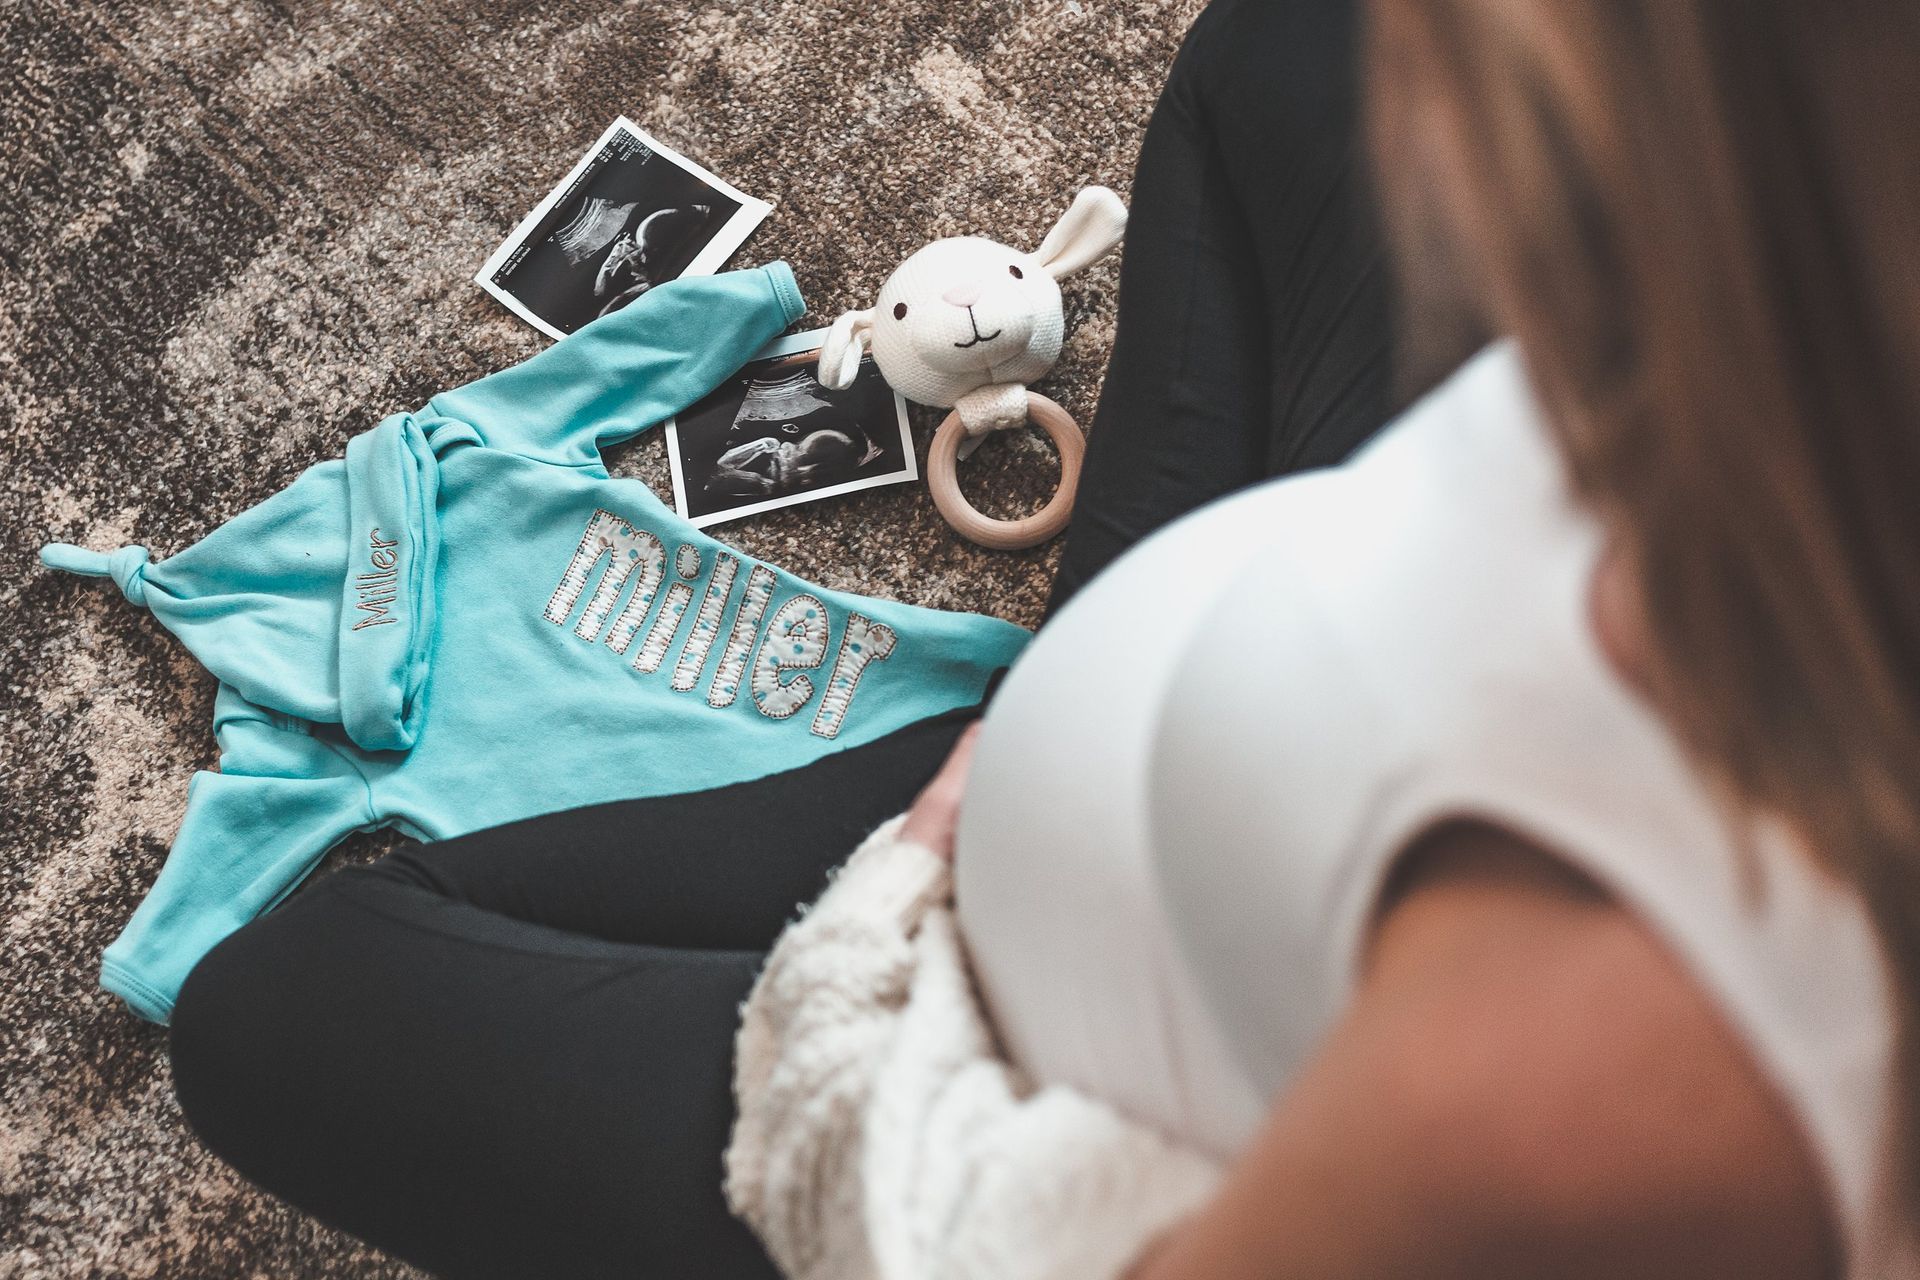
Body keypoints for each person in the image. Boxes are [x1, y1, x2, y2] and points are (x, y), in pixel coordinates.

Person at [167, 2, 1920, 1279]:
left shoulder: (1606, 1083)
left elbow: (970, 1248)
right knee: (1292, 51)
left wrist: (903, 889)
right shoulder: (1808, 345)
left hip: (995, 1021)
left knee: (280, 990)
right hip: (1207, 701)